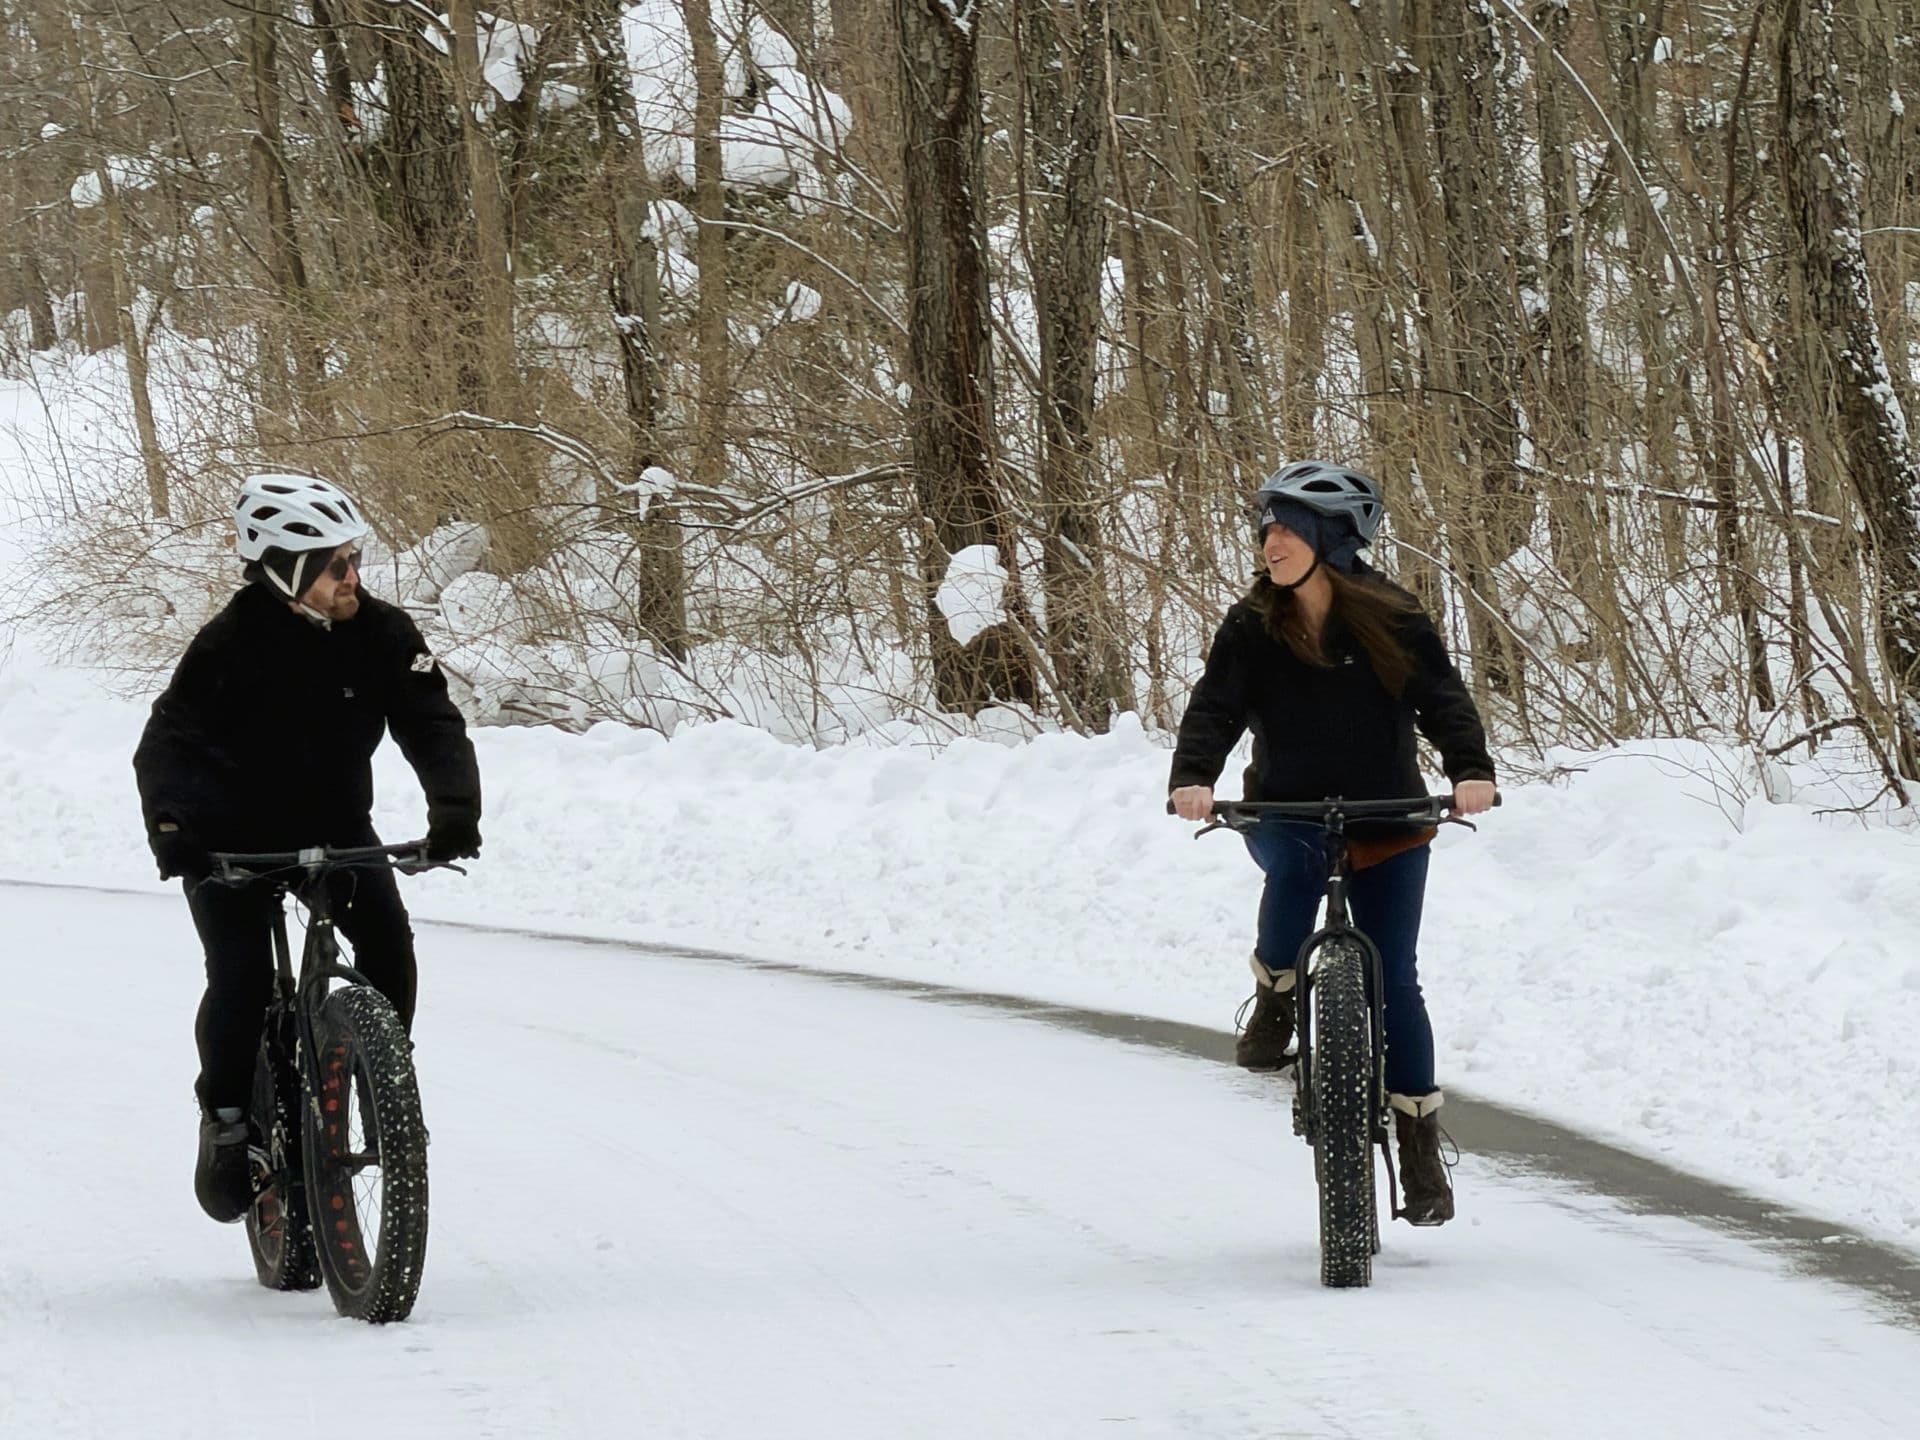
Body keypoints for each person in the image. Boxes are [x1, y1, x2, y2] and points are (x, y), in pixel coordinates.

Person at [133, 473, 482, 1224]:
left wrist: (454, 809)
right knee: (243, 978)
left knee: (390, 948)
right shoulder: (228, 644)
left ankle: (379, 1088)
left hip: (334, 829)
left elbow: (431, 722)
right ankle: (228, 1121)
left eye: (354, 559)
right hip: (227, 844)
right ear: (286, 573)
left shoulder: (383, 633)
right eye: (335, 565)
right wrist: (174, 833)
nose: (352, 577)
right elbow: (167, 745)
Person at [1167, 460, 1496, 1225]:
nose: (1269, 541)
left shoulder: (1394, 614)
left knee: (1398, 978)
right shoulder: (1252, 623)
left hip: (1390, 814)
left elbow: (1443, 701)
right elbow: (1214, 708)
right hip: (1288, 810)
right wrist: (1194, 778)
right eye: (1266, 527)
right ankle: (1278, 994)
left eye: (1285, 527)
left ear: (1332, 539)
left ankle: (1417, 1147)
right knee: (1298, 866)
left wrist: (1471, 770)